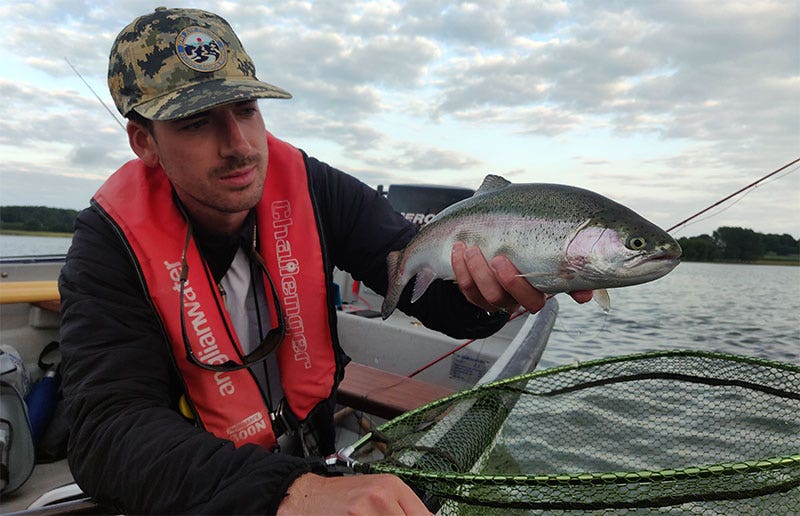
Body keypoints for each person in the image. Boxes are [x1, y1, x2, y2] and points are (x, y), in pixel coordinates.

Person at [58, 7, 591, 515]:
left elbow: (421, 287)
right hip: (205, 489)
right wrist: (286, 493)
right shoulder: (108, 246)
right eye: (196, 122)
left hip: (314, 447)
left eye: (246, 109)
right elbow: (105, 431)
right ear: (143, 141)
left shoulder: (315, 189)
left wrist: (493, 296)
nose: (240, 145)